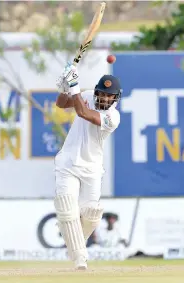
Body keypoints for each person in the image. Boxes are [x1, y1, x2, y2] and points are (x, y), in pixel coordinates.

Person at [53, 62, 121, 270]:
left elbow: (83, 113)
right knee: (67, 208)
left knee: (91, 214)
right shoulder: (90, 95)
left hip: (92, 168)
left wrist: (74, 86)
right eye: (101, 94)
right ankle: (80, 257)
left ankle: (70, 236)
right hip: (68, 163)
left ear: (115, 98)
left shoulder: (113, 117)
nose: (103, 99)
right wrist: (65, 87)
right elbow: (62, 104)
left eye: (108, 96)